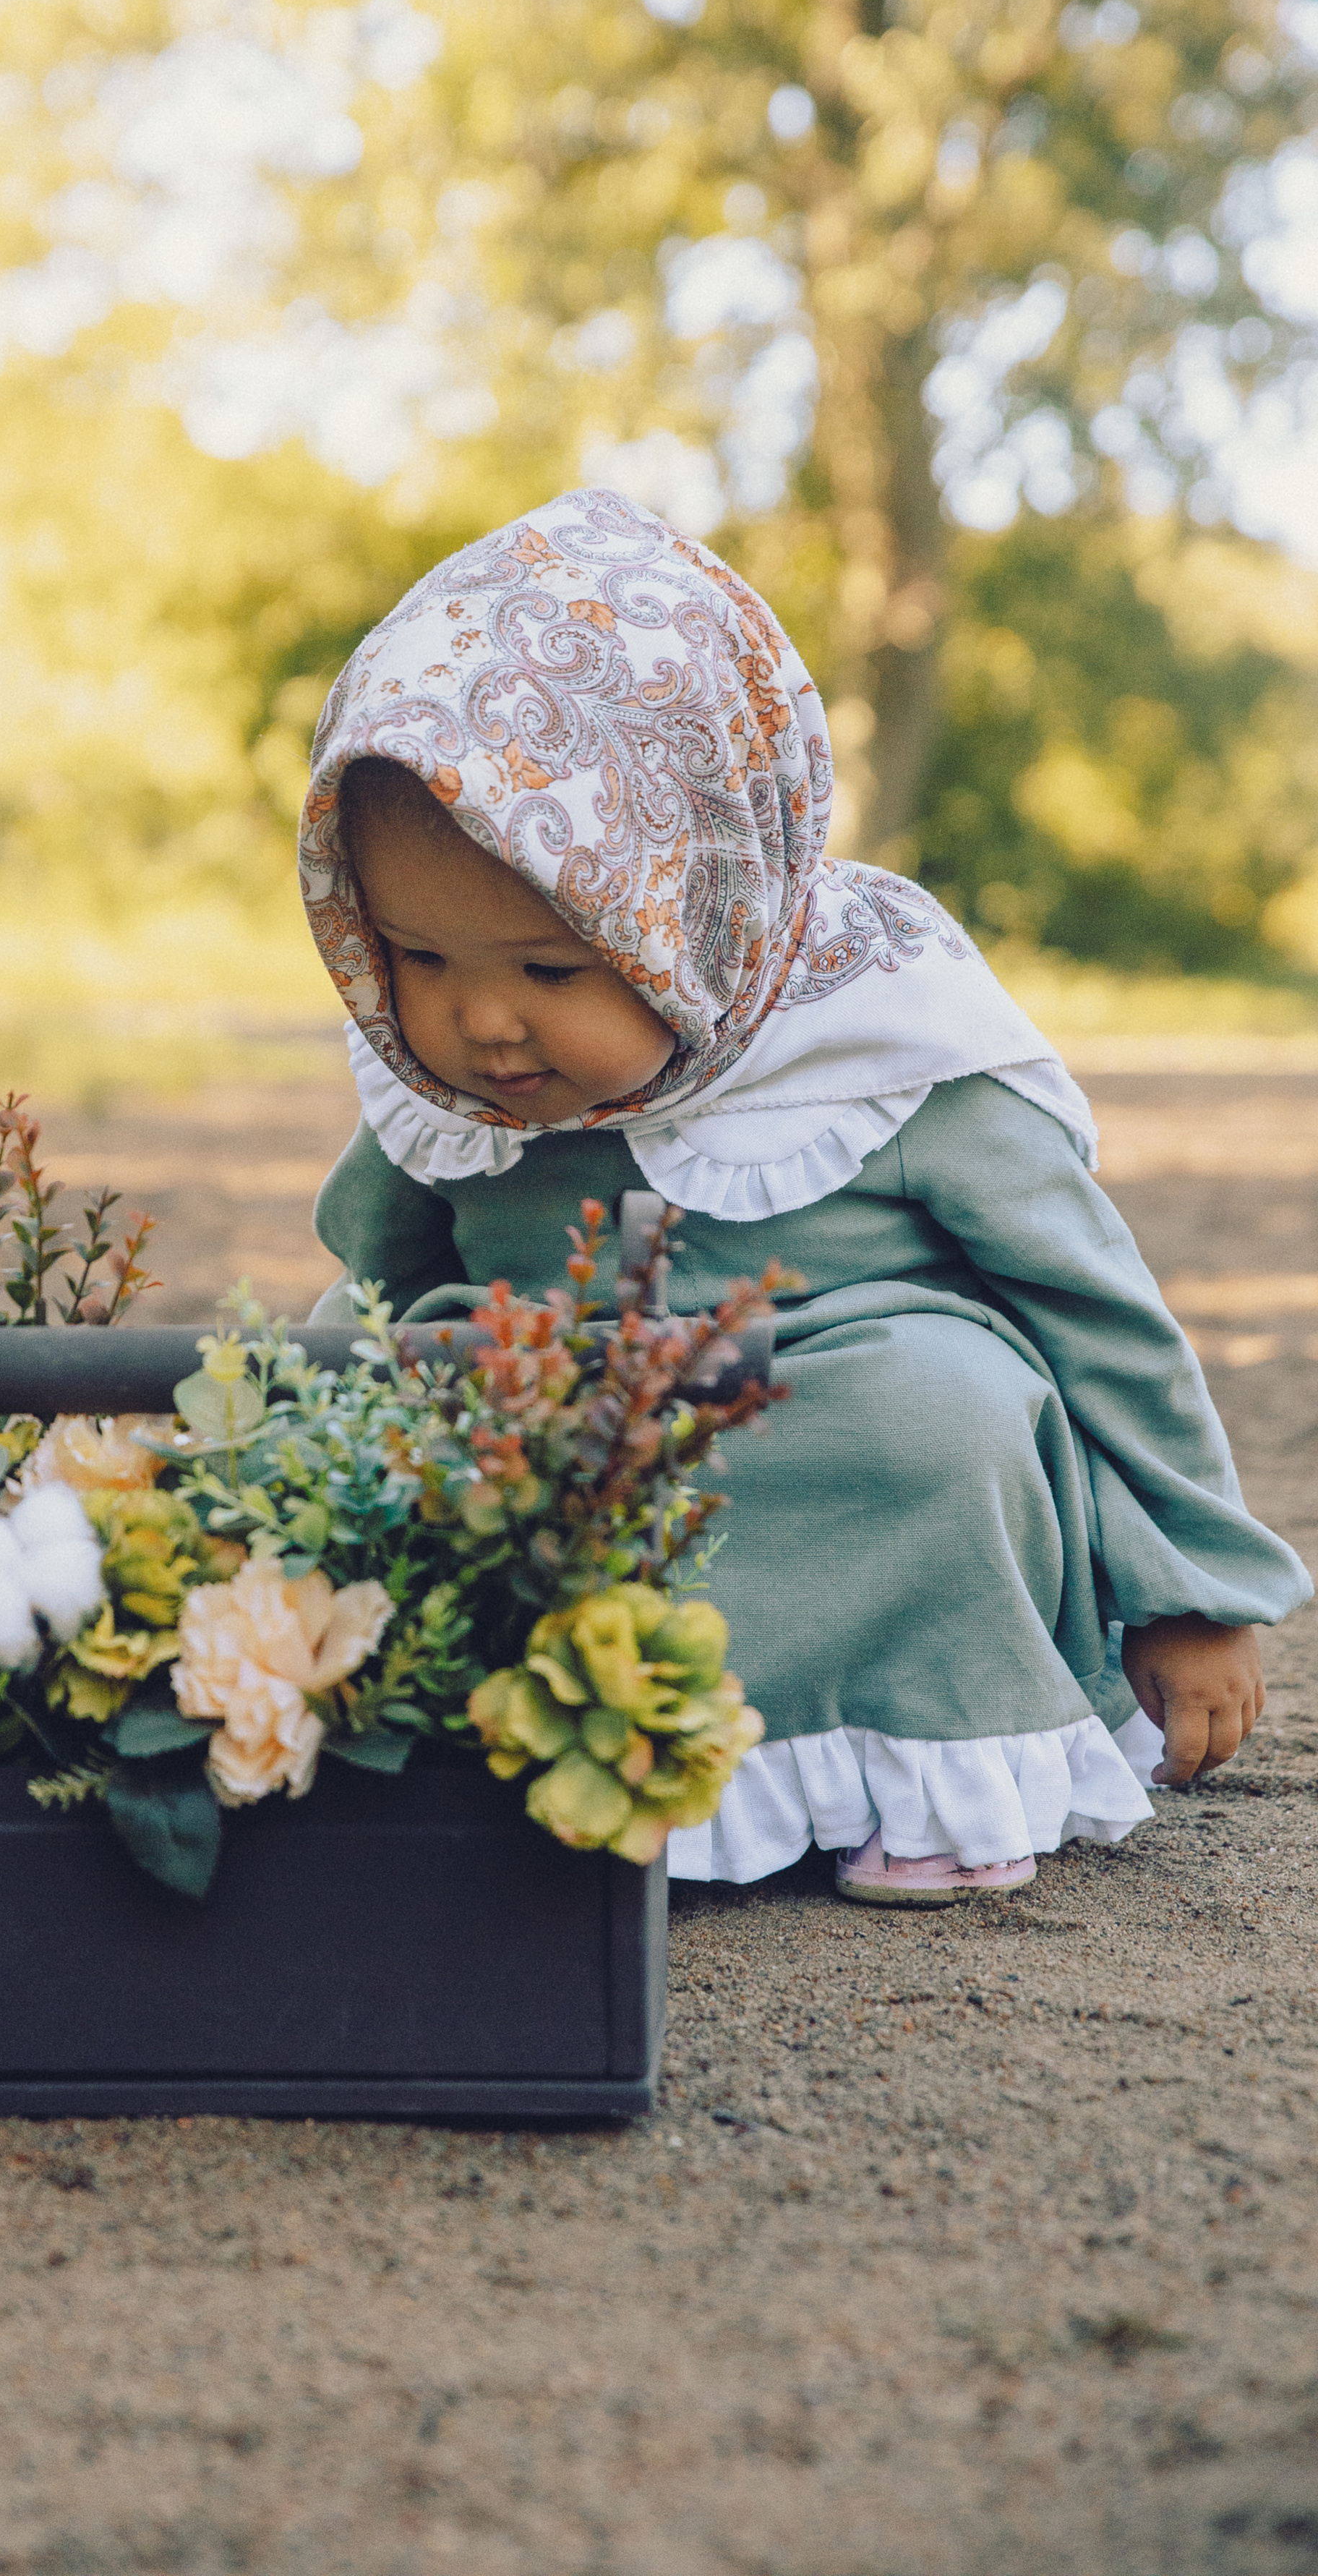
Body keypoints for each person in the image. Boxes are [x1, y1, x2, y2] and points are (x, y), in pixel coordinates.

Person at [297, 487, 1308, 1906]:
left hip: (827, 1420)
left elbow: (1096, 1312)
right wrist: (254, 1461)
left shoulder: (880, 1035)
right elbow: (373, 1288)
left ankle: (919, 1756)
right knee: (424, 1426)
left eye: (544, 969)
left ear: (700, 900)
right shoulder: (440, 1091)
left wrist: (1190, 1587)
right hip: (565, 1434)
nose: (480, 1027)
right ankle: (517, 1745)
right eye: (414, 956)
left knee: (933, 1411)